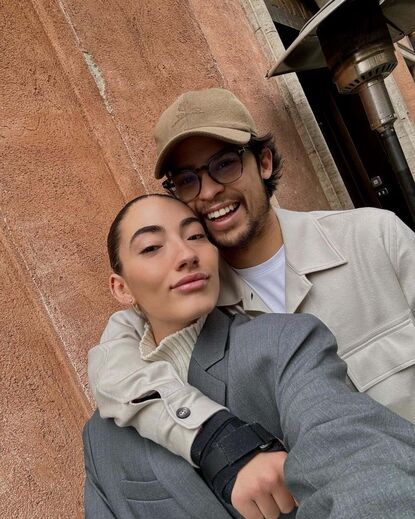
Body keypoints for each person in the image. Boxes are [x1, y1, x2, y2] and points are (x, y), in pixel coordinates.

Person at [88, 88, 415, 515]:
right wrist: (215, 439)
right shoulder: (196, 305)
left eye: (224, 164)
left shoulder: (374, 238)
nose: (208, 191)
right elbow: (117, 360)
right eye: (187, 179)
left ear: (263, 162)